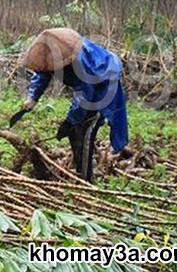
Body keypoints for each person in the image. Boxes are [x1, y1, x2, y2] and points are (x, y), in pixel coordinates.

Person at [20, 28, 128, 182]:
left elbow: (85, 96)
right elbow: (42, 73)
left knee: (85, 132)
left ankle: (86, 180)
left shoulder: (80, 62)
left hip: (103, 86)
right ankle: (80, 168)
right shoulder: (51, 56)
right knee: (74, 131)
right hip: (87, 90)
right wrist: (32, 97)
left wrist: (70, 120)